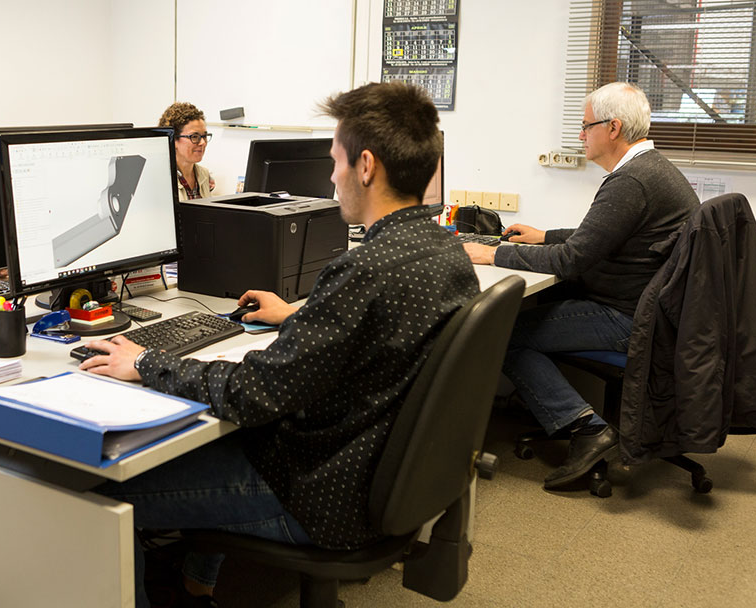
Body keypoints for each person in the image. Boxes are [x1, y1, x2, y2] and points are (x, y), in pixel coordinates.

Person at [79, 81, 478, 607]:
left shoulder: (364, 269)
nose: (331, 177)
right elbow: (371, 339)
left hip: (320, 494)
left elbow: (253, 394)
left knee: (96, 493)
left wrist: (148, 361)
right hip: (380, 475)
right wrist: (298, 314)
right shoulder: (444, 254)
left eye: (335, 161)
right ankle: (198, 583)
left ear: (365, 166)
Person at [462, 82, 699, 490]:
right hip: (650, 308)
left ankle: (586, 428)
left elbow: (572, 260)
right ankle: (579, 420)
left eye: (585, 126)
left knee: (504, 334)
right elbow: (603, 235)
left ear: (613, 128)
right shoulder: (651, 169)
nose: (580, 135)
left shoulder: (631, 182)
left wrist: (490, 255)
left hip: (631, 319)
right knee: (531, 310)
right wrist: (545, 235)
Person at [158, 102, 215, 200]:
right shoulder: (161, 180)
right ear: (173, 140)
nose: (202, 142)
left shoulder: (204, 174)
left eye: (204, 136)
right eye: (194, 137)